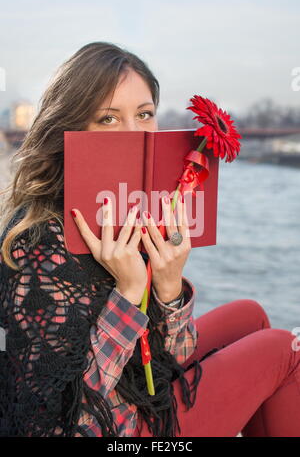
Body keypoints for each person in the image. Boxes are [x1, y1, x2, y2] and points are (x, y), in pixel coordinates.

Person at [1, 42, 300, 438]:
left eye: (144, 115)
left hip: (140, 390)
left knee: (250, 314)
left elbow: (169, 358)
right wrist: (128, 291)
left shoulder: (130, 207)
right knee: (286, 349)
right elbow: (65, 420)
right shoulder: (39, 240)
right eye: (108, 118)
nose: (132, 133)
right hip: (113, 428)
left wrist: (169, 286)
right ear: (69, 129)